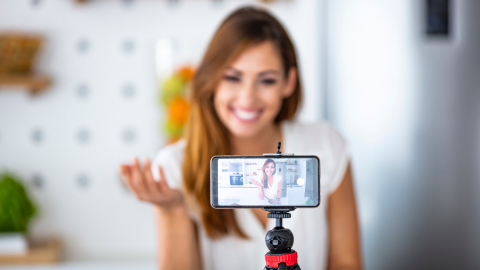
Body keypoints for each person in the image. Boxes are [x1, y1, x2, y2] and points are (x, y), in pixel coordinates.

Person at [119, 6, 362, 270]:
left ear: (289, 82)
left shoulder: (325, 146)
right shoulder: (175, 166)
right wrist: (173, 211)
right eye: (233, 77)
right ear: (212, 79)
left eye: (266, 80)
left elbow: (347, 262)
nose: (247, 98)